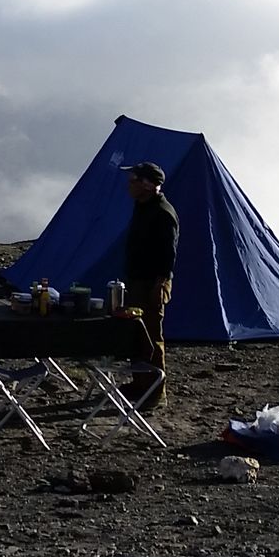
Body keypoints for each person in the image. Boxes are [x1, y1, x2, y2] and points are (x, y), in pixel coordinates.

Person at [120, 160, 179, 409]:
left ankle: (155, 393)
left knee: (152, 335)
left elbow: (168, 255)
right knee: (137, 334)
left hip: (151, 283)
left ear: (146, 184)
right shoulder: (142, 206)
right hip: (136, 279)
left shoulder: (163, 213)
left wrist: (159, 284)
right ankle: (139, 383)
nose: (129, 185)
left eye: (133, 180)